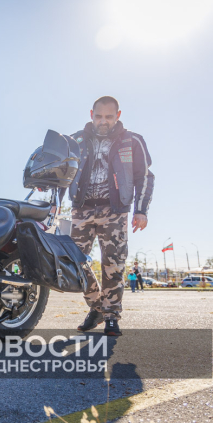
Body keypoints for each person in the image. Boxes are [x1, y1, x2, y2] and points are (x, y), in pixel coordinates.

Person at [65, 96, 155, 336]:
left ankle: (112, 317)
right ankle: (97, 307)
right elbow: (62, 171)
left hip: (114, 211)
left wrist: (141, 210)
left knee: (113, 266)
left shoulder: (132, 140)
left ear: (118, 116)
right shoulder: (76, 140)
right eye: (98, 116)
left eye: (108, 116)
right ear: (91, 114)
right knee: (72, 262)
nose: (103, 121)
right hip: (81, 209)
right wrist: (53, 204)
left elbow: (145, 177)